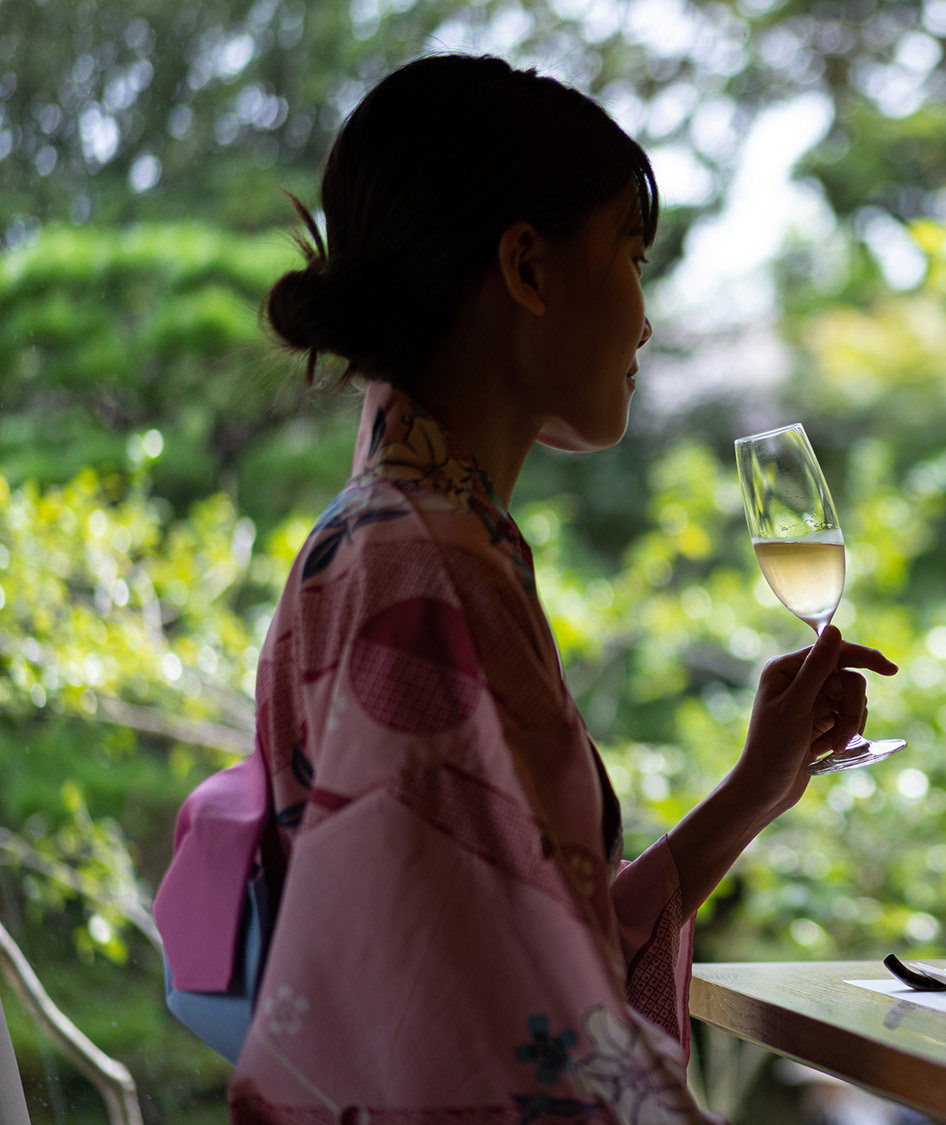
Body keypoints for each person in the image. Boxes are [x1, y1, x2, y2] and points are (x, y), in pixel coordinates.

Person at [239, 53, 895, 1122]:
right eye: (631, 255)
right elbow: (498, 1051)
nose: (643, 319)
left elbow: (545, 974)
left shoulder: (396, 538)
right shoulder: (424, 570)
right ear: (529, 269)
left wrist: (754, 791)